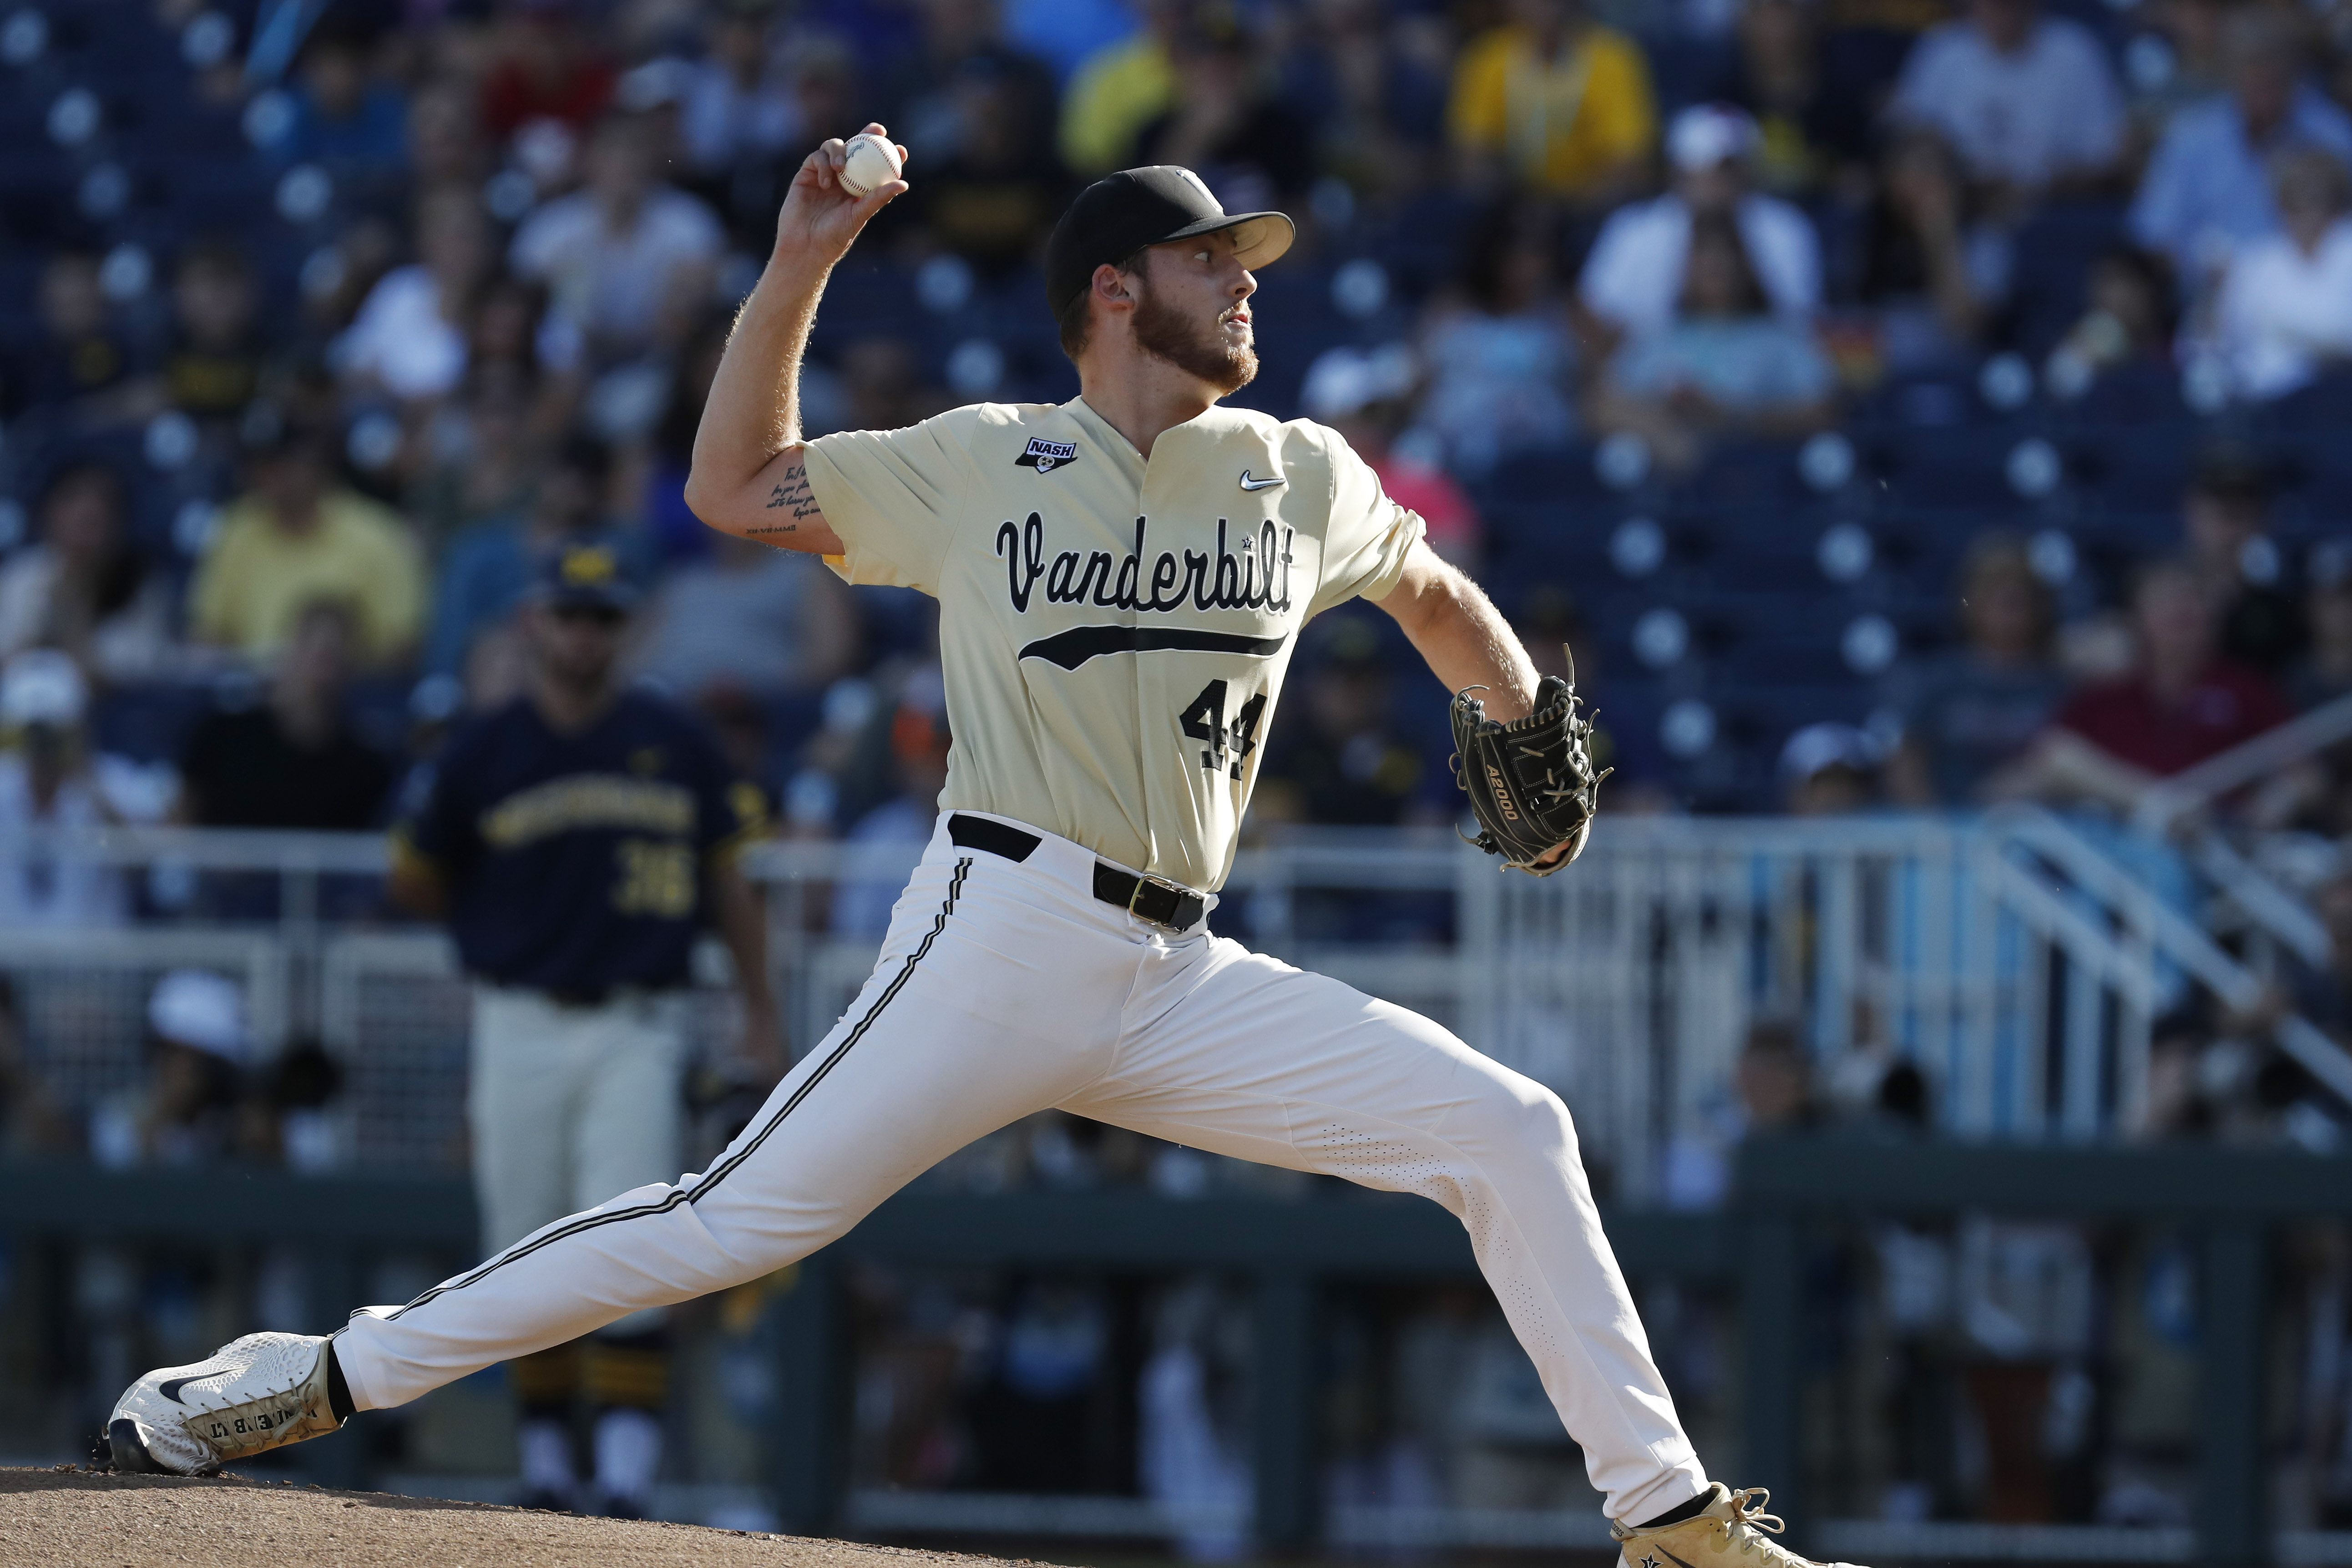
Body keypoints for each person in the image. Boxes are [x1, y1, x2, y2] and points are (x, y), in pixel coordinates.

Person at [109, 141, 1861, 1568]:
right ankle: (323, 1369)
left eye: (1244, 257)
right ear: (1113, 291)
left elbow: (1421, 583)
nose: (1245, 279)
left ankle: (1666, 1519)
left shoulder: (1293, 470)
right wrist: (801, 255)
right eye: (1207, 258)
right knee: (726, 1222)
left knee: (1506, 1128)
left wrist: (1513, 713)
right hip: (997, 925)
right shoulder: (982, 466)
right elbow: (735, 489)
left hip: (1180, 974)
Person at [382, 542, 777, 1516]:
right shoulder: (483, 747)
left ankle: (629, 1481)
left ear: (624, 626)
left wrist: (761, 1011)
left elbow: (731, 886)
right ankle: (552, 1471)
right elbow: (413, 871)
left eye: (601, 616)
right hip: (517, 1016)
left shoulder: (676, 740)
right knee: (522, 1248)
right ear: (534, 622)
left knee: (629, 1237)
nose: (583, 632)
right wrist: (485, 930)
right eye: (569, 614)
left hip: (638, 1020)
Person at [1988, 558, 2294, 814]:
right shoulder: (2105, 691)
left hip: (2220, 845)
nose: (2181, 608)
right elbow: (2045, 763)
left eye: (2193, 598)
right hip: (2121, 849)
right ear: (2137, 616)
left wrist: (2274, 805)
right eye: (2166, 600)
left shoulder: (2245, 686)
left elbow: (2303, 774)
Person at [1592, 209, 1839, 468]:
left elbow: (1824, 410)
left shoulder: (1779, 337)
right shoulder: (1659, 337)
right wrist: (1663, 431)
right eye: (1702, 256)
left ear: (1745, 265)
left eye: (1724, 255)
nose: (1714, 265)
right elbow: (1601, 406)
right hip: (1673, 492)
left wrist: (1736, 420)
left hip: (1762, 485)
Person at [2129, 8, 2352, 292]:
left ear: (2295, 73)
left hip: (2314, 291)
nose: (2264, 89)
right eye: (2253, 72)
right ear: (2231, 73)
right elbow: (2154, 235)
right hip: (2210, 296)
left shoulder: (2335, 136)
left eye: (2274, 74)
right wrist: (2199, 264)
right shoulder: (2190, 138)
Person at [1578, 104, 1822, 351]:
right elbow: (1595, 317)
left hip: (1757, 369)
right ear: (1680, 171)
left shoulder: (1787, 227)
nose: (1724, 179)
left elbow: (1799, 323)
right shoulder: (1633, 229)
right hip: (1652, 370)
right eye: (1713, 168)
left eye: (1734, 166)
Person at [188, 427, 426, 668]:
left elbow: (403, 643)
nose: (268, 477)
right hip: (247, 692)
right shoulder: (237, 528)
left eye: (280, 466)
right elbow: (209, 630)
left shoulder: (377, 533)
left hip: (348, 691)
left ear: (313, 464)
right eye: (259, 466)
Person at [508, 113, 726, 365]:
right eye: (613, 151)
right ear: (588, 159)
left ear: (653, 159)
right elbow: (520, 308)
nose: (625, 163)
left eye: (635, 151)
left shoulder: (689, 223)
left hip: (659, 362)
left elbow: (694, 315)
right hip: (568, 364)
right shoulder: (549, 228)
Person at [177, 600, 395, 831]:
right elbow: (181, 821)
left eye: (333, 658)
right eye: (315, 653)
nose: (322, 674)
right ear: (287, 651)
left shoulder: (364, 769)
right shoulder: (222, 734)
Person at [1885, 535, 2068, 806]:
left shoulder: (2061, 684)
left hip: (2041, 828)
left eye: (2017, 601)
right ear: (1970, 604)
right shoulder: (1941, 678)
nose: (2006, 614)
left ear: (2039, 607)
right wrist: (1928, 824)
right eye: (1994, 599)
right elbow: (1906, 763)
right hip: (1952, 828)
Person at [1885, 0, 2126, 203]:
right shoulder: (1941, 50)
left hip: (2049, 212)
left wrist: (2030, 188)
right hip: (1959, 210)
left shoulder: (2077, 52)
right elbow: (1906, 143)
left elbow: (2107, 161)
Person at [1448, 0, 1657, 208]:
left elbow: (1628, 163)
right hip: (1507, 207)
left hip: (1587, 209)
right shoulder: (1486, 58)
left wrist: (1563, 206)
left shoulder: (1615, 59)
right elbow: (1471, 153)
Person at [2198, 145, 2352, 402]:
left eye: (2317, 190)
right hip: (2266, 403)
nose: (2307, 198)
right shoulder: (2255, 263)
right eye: (2298, 188)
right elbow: (2229, 342)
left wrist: (2280, 326)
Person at [0, 461, 176, 685]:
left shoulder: (141, 586)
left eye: (101, 511)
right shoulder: (20, 576)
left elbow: (123, 680)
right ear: (48, 513)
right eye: (72, 501)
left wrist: (75, 610)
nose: (85, 516)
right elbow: (9, 669)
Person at [0, 650, 127, 928]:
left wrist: (84, 777)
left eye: (53, 733)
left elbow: (145, 865)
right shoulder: (4, 783)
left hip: (86, 961)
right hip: (8, 957)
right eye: (34, 732)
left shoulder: (109, 782)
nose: (43, 747)